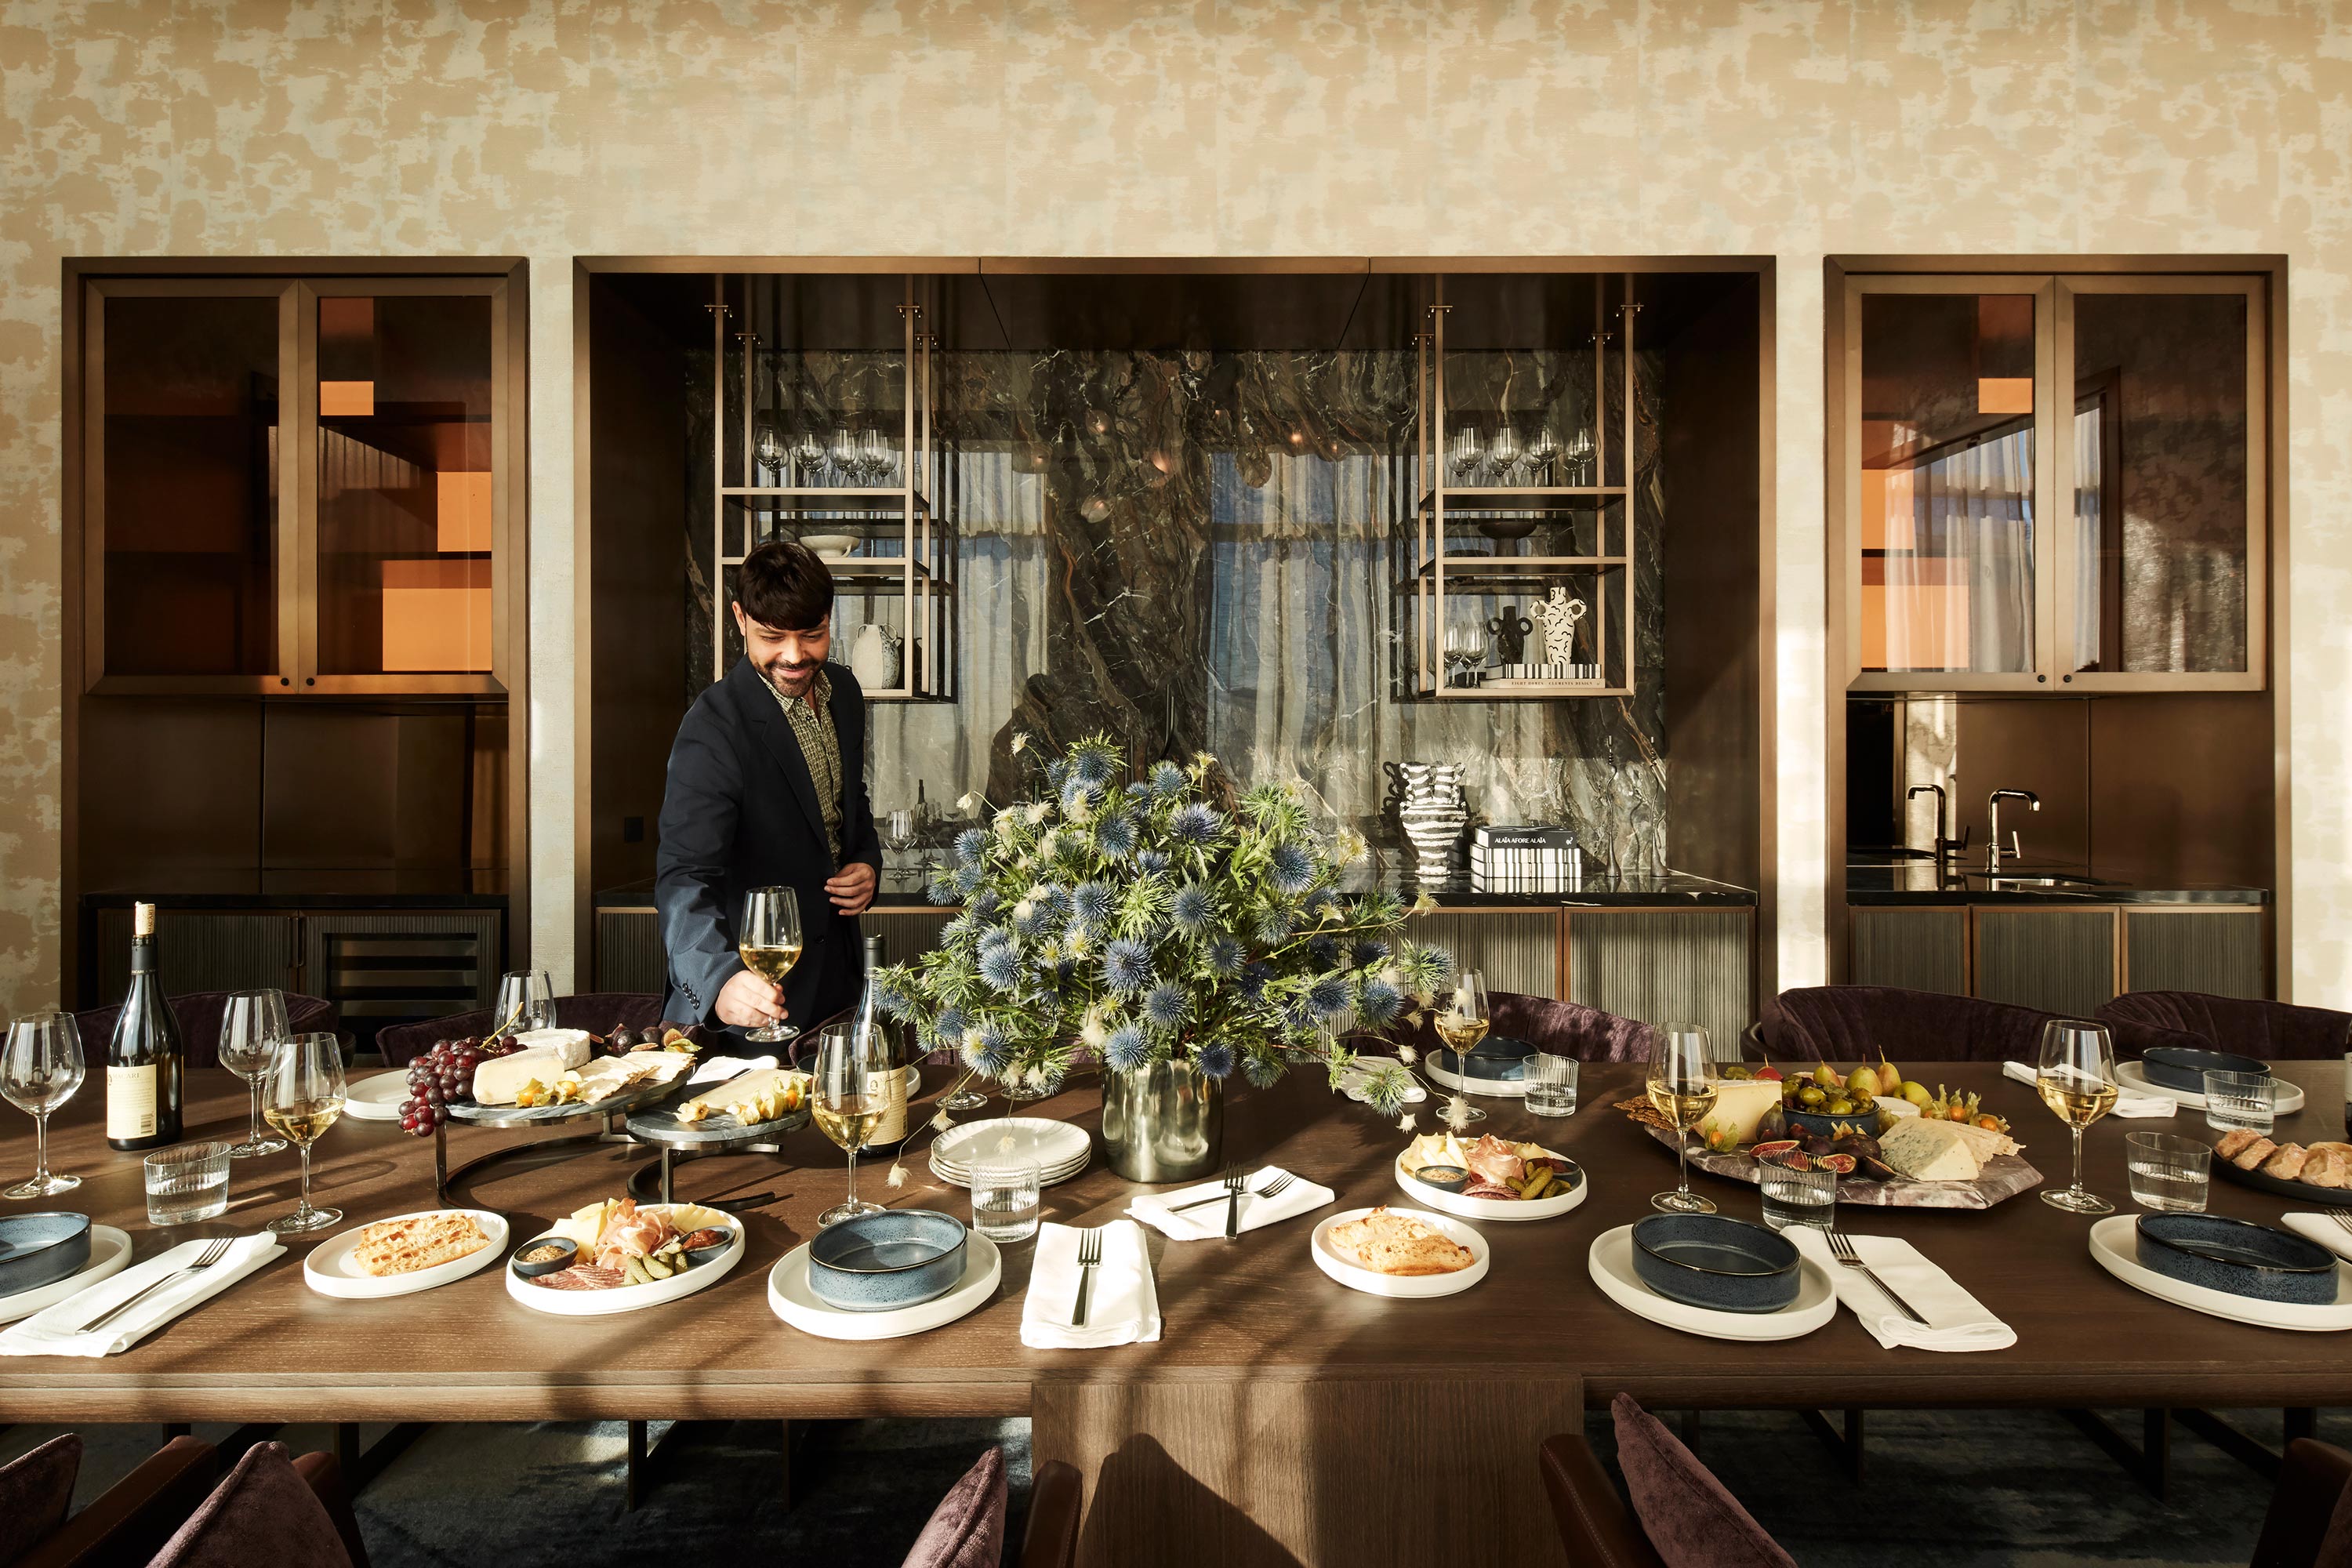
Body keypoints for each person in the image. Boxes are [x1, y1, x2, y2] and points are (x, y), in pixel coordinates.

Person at [656, 541, 880, 1044]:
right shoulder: (713, 727)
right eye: (773, 637)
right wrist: (718, 980)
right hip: (747, 1005)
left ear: (830, 618)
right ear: (740, 619)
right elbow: (683, 877)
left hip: (835, 989)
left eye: (812, 635)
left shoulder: (844, 692)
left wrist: (866, 863)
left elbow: (849, 802)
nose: (794, 656)